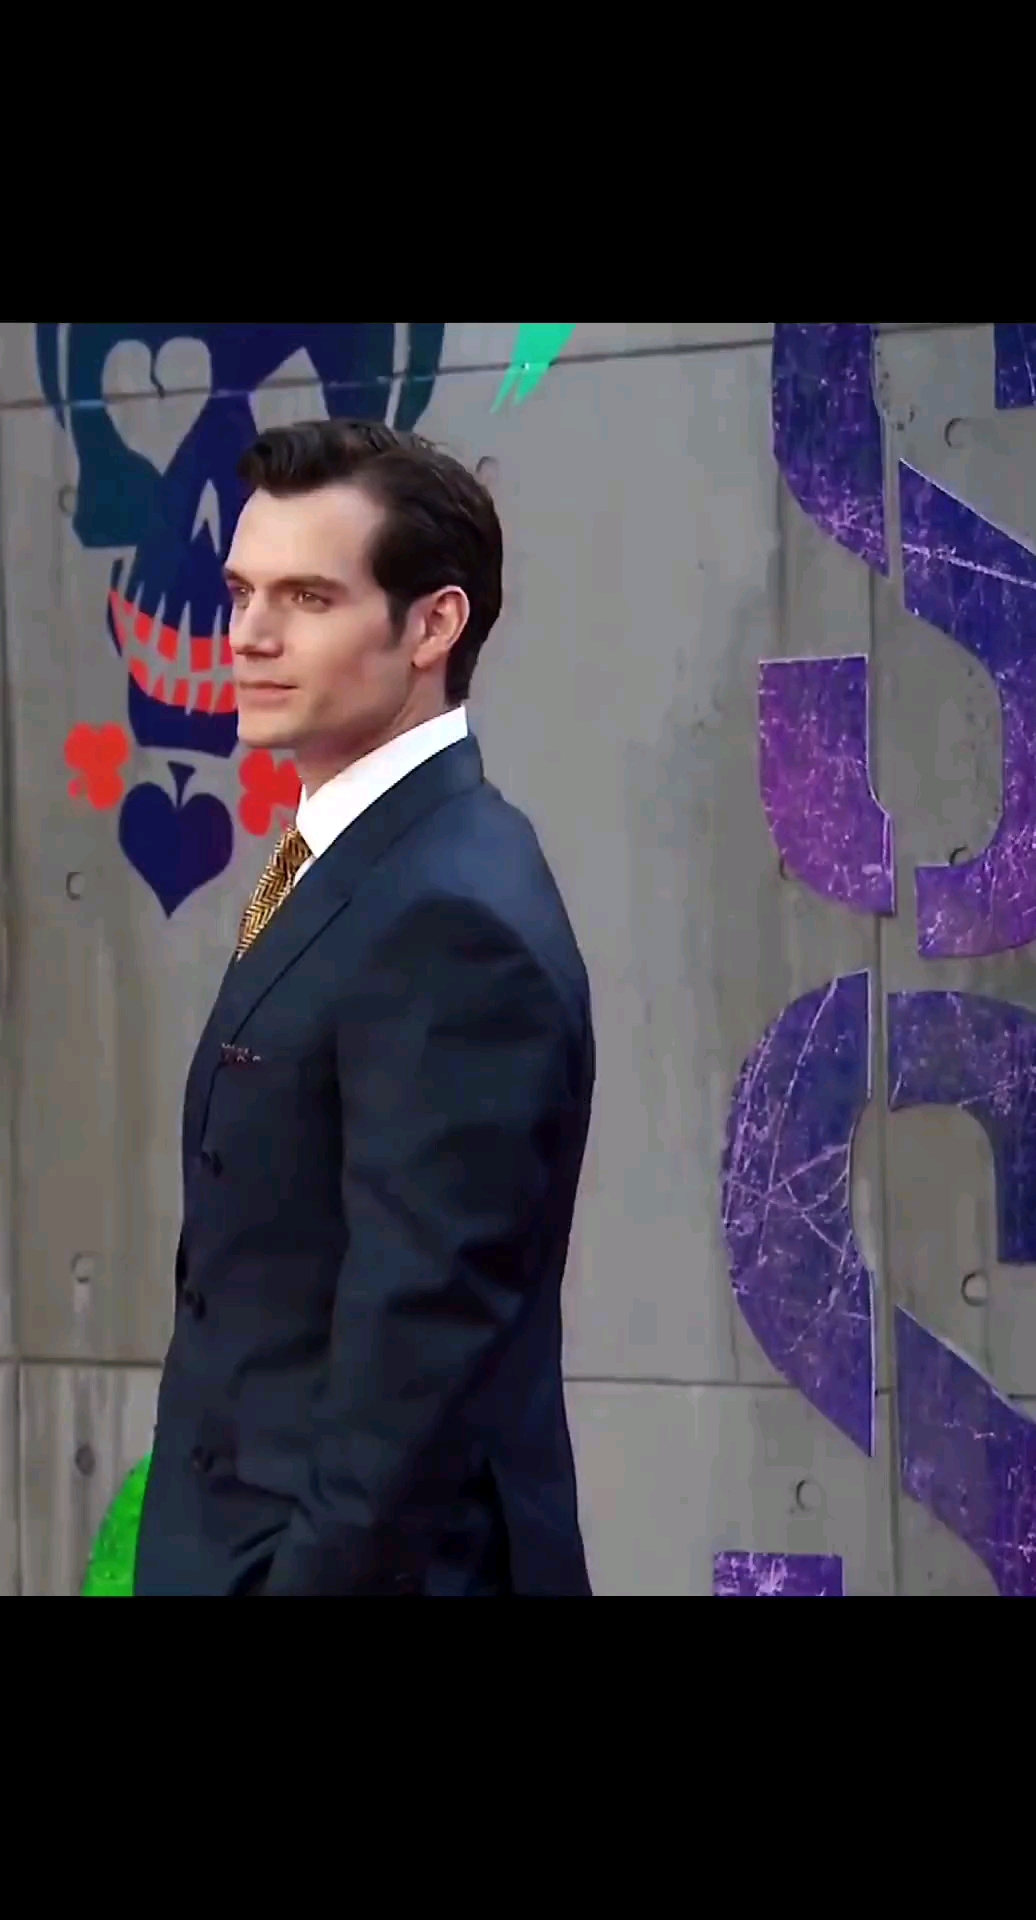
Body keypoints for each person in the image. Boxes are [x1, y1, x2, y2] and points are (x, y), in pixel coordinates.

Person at [133, 420, 595, 1597]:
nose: (249, 636)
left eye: (307, 597)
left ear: (432, 626)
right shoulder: (364, 859)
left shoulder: (451, 912)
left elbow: (415, 1367)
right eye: (240, 592)